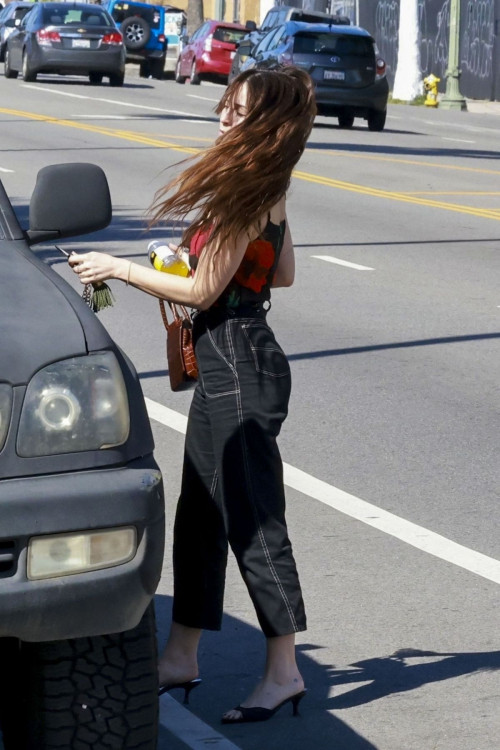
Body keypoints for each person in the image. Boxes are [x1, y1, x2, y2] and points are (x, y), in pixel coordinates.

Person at [69, 66, 317, 724]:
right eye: (224, 109)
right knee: (201, 518)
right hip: (235, 360)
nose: (225, 120)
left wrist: (120, 268)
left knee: (253, 519)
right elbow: (281, 274)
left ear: (266, 122)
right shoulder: (265, 184)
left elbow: (206, 294)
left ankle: (284, 671)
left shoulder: (245, 188)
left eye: (240, 113)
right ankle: (181, 655)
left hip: (238, 362)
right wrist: (188, 261)